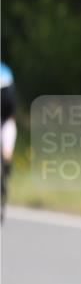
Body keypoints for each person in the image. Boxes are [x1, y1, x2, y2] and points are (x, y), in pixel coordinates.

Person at [1, 62, 16, 217]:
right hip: (7, 118)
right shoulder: (6, 69)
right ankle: (6, 167)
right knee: (7, 151)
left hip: (6, 113)